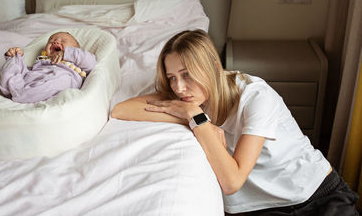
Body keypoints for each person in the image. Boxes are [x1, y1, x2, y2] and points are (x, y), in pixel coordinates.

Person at [112, 29, 359, 215]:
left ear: (214, 66)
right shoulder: (189, 98)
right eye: (172, 77)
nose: (179, 87)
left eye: (187, 74)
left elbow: (232, 180)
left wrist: (197, 119)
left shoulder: (256, 97)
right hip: (257, 209)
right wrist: (195, 116)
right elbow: (122, 109)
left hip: (315, 196)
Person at [0, 31, 97, 103]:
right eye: (51, 40)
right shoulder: (41, 62)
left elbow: (91, 62)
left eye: (64, 40)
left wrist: (66, 53)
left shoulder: (77, 63)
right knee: (10, 73)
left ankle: (20, 93)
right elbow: (29, 73)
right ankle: (13, 66)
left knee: (61, 80)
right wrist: (16, 58)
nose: (55, 42)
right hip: (32, 81)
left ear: (76, 49)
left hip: (61, 78)